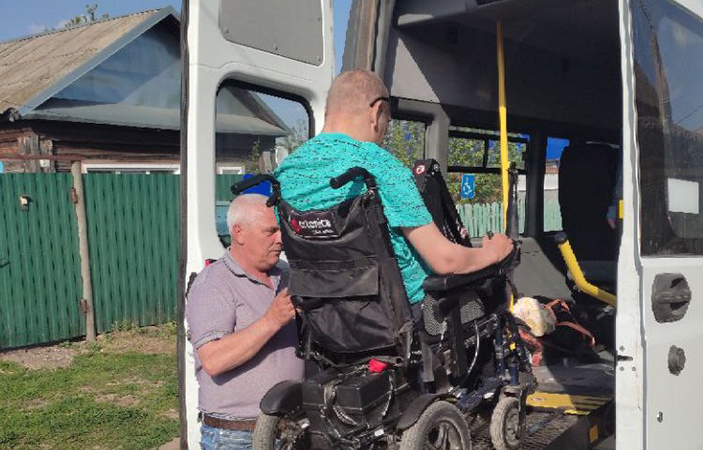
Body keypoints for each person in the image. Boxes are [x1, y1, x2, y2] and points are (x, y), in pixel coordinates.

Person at [274, 69, 513, 309]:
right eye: (387, 123)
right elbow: (445, 261)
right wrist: (493, 253)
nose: (384, 134)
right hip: (408, 315)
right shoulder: (378, 165)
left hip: (325, 320)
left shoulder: (286, 173)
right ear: (377, 112)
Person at [185, 193, 302, 450]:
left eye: (280, 231)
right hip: (237, 436)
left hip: (290, 428)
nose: (280, 240)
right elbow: (213, 360)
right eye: (270, 231)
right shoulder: (213, 283)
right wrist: (272, 320)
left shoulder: (286, 274)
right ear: (239, 233)